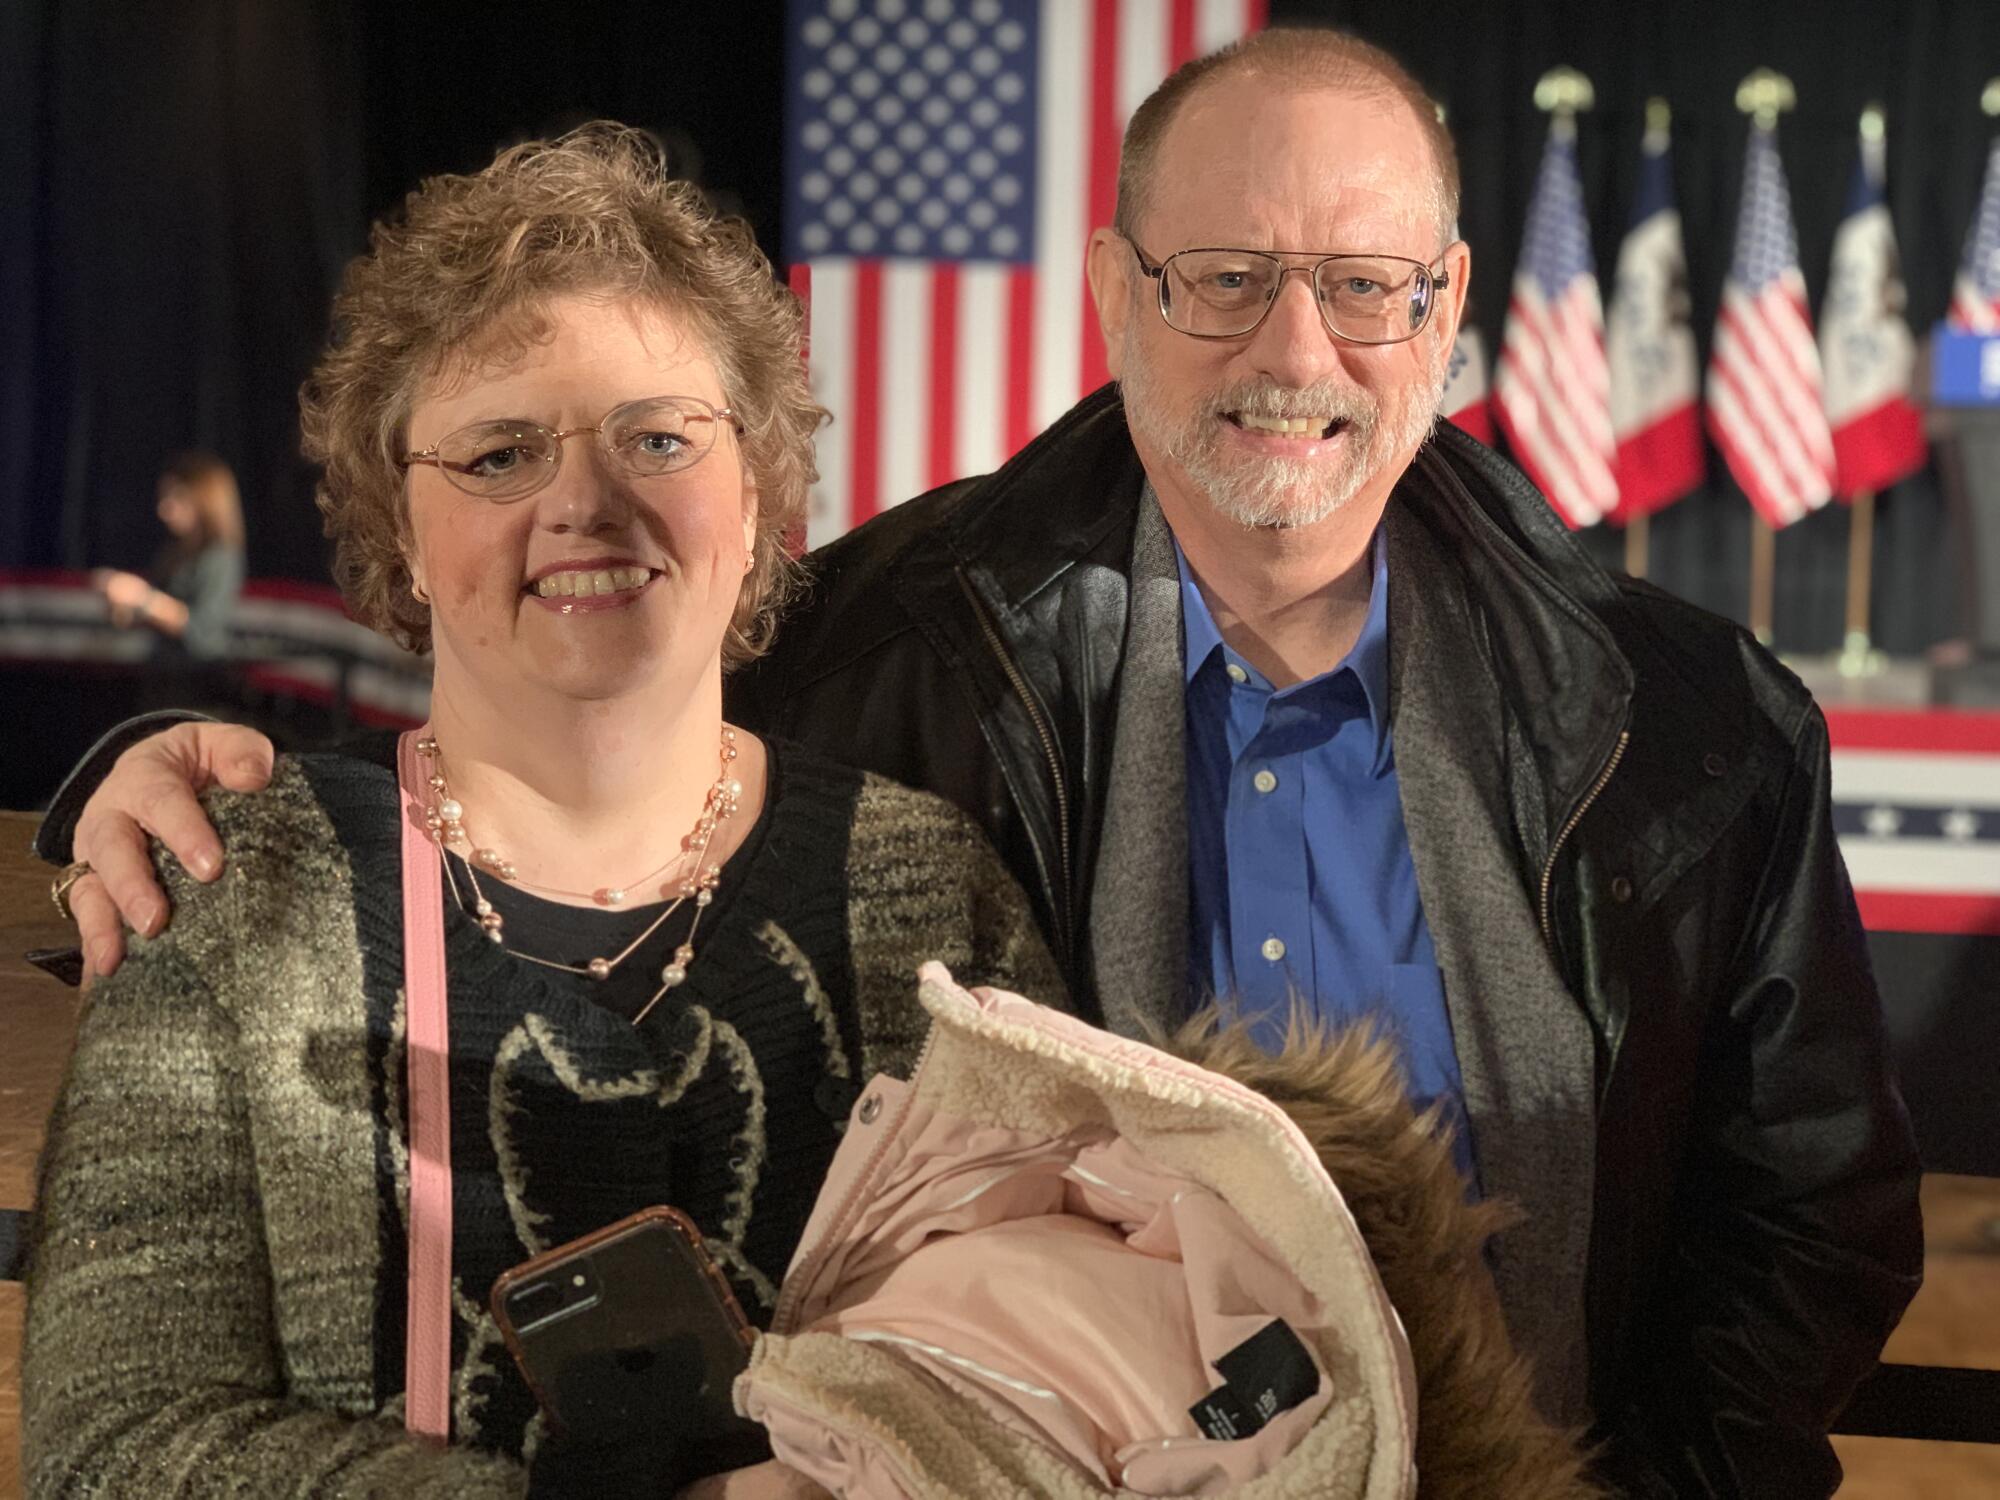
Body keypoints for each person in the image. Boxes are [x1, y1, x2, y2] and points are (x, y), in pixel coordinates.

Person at [40, 28, 1921, 1498]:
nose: (1297, 347)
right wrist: (156, 776)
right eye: (1225, 276)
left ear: (1443, 309)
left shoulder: (1686, 724)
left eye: (1363, 284)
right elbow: (569, 710)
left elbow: (1811, 1227)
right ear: (1113, 293)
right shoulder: (890, 662)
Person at [24, 124, 1058, 1499]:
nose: (586, 502)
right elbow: (118, 1453)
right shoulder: (237, 896)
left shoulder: (925, 892)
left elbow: (1057, 1379)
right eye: (502, 454)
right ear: (400, 523)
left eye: (658, 437)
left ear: (755, 494)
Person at [92, 449, 247, 659]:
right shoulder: (173, 553)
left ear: (203, 499)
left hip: (200, 677)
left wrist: (142, 597)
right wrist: (123, 605)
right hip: (162, 673)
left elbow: (204, 634)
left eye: (175, 497)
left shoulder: (220, 557)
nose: (163, 509)